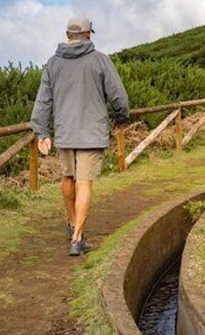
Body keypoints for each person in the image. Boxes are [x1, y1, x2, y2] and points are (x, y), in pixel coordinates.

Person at [30, 16, 130, 256]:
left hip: (65, 132)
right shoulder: (100, 60)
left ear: (67, 35)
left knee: (67, 178)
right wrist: (121, 117)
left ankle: (73, 223)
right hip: (91, 133)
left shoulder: (52, 64)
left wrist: (42, 131)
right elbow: (118, 95)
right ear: (88, 34)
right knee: (84, 183)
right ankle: (77, 239)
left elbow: (43, 101)